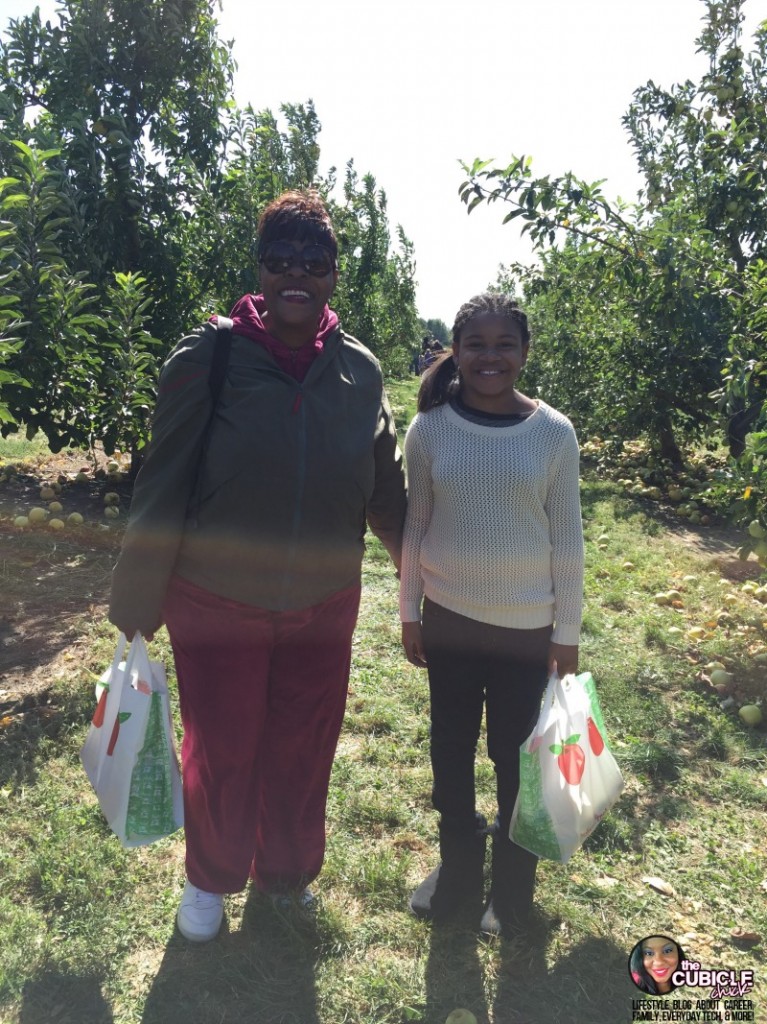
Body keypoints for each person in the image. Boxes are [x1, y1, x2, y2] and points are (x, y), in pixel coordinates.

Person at [108, 190, 406, 942]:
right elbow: (162, 480)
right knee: (223, 748)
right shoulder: (210, 356)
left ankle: (285, 875)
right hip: (217, 601)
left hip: (324, 602)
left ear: (336, 273)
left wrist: (425, 580)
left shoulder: (359, 372)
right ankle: (210, 880)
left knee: (304, 747)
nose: (296, 275)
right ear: (260, 270)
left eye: (315, 261)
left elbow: (388, 488)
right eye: (280, 260)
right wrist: (135, 604)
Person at [399, 292, 584, 938]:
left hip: (524, 636)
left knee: (514, 760)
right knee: (449, 753)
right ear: (456, 351)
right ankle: (455, 868)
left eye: (504, 344)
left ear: (525, 353)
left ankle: (510, 891)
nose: (489, 356)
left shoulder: (552, 435)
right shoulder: (428, 431)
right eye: (475, 344)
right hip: (448, 625)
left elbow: (567, 541)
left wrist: (565, 634)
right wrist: (408, 612)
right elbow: (415, 526)